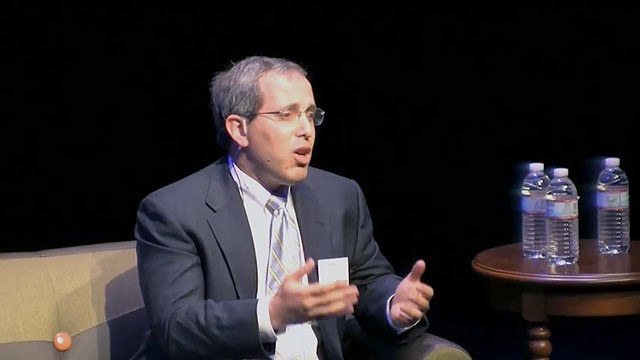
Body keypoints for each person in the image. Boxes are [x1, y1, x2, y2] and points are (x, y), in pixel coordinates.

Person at [131, 55, 434, 360]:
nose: (306, 130)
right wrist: (273, 313)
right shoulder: (174, 211)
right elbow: (176, 327)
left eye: (311, 114)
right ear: (239, 129)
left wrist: (393, 303)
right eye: (287, 114)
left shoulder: (339, 196)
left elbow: (368, 281)